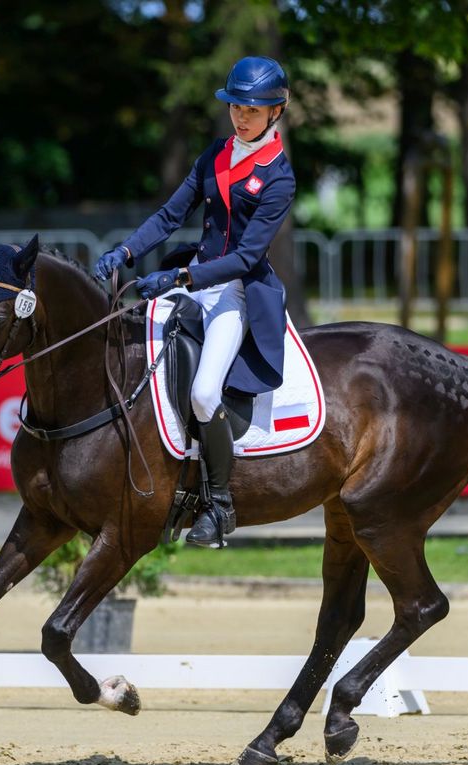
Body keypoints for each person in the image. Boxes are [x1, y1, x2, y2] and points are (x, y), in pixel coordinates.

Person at [93, 56, 295, 548]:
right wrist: (125, 250)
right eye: (236, 107)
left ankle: (219, 503)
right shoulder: (215, 155)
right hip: (192, 281)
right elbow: (169, 216)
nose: (242, 117)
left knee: (205, 393)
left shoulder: (279, 177)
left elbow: (247, 257)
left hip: (235, 291)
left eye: (253, 109)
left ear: (276, 111)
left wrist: (179, 275)